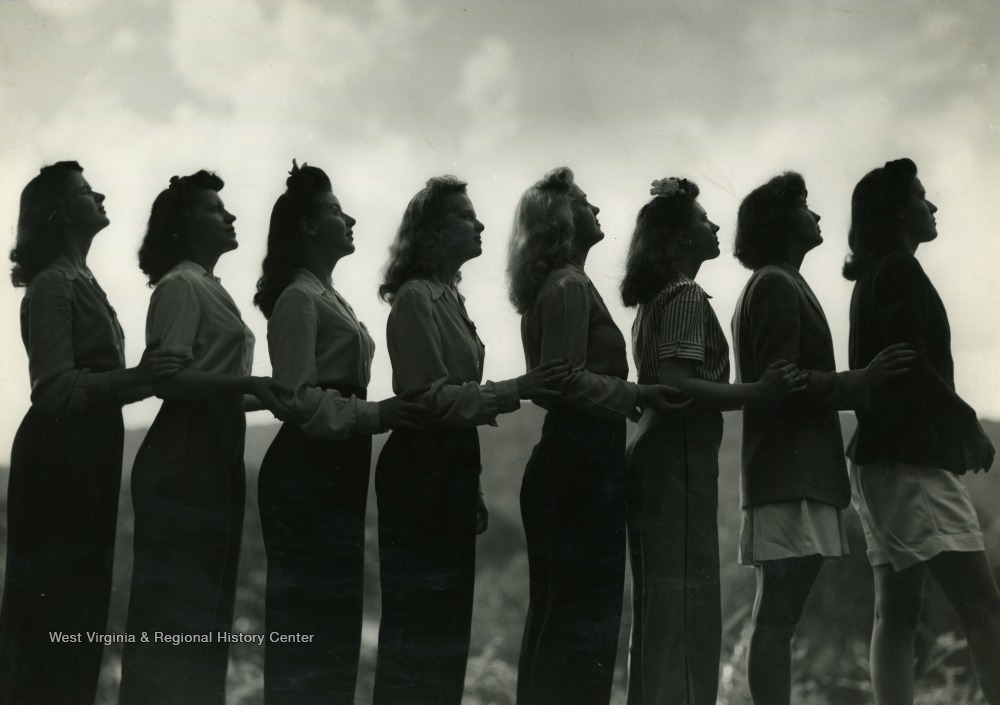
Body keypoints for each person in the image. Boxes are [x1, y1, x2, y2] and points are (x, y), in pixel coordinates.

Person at [374, 175, 568, 705]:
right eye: (465, 216)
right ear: (432, 232)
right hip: (421, 471)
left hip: (448, 468)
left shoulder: (447, 297)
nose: (480, 224)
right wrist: (517, 389)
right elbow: (430, 400)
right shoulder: (416, 298)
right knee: (420, 627)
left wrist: (472, 484)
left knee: (446, 624)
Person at [0, 162, 186, 705]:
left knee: (80, 599)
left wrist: (156, 378)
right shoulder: (52, 284)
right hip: (60, 453)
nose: (99, 194)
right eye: (85, 190)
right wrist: (141, 376)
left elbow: (105, 384)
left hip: (91, 449)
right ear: (58, 212)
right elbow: (54, 389)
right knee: (53, 605)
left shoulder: (81, 280)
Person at [507, 167, 690, 705]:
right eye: (585, 203)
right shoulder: (567, 285)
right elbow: (562, 382)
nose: (597, 210)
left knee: (562, 617)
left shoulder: (561, 284)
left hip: (579, 459)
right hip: (580, 462)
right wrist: (639, 394)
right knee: (579, 622)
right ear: (561, 219)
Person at [619, 176, 804, 705]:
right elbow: (677, 382)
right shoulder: (683, 294)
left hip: (661, 448)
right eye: (703, 220)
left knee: (664, 605)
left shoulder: (656, 299)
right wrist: (758, 391)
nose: (716, 225)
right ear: (681, 236)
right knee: (685, 602)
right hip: (676, 447)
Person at [731, 171, 913, 705]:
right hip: (787, 476)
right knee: (777, 614)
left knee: (780, 613)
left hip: (797, 475)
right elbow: (783, 381)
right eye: (804, 206)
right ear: (781, 222)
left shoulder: (782, 281)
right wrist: (862, 381)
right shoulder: (774, 284)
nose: (815, 215)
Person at [253, 161, 429, 705]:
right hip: (307, 469)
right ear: (308, 226)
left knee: (334, 619)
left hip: (338, 466)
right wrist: (377, 415)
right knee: (309, 621)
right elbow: (296, 398)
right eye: (335, 211)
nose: (349, 219)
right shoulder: (298, 298)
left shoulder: (329, 296)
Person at [118, 170, 292, 705]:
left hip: (215, 451)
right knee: (174, 613)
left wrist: (271, 396)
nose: (230, 215)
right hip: (184, 455)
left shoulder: (208, 286)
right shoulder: (181, 285)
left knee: (205, 610)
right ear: (184, 225)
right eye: (215, 209)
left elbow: (216, 386)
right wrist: (251, 384)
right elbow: (168, 381)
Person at [843, 158, 999, 705]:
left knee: (896, 609)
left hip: (878, 460)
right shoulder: (898, 270)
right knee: (984, 606)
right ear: (897, 212)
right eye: (920, 197)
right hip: (910, 464)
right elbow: (910, 363)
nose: (932, 206)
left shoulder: (874, 275)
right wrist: (967, 422)